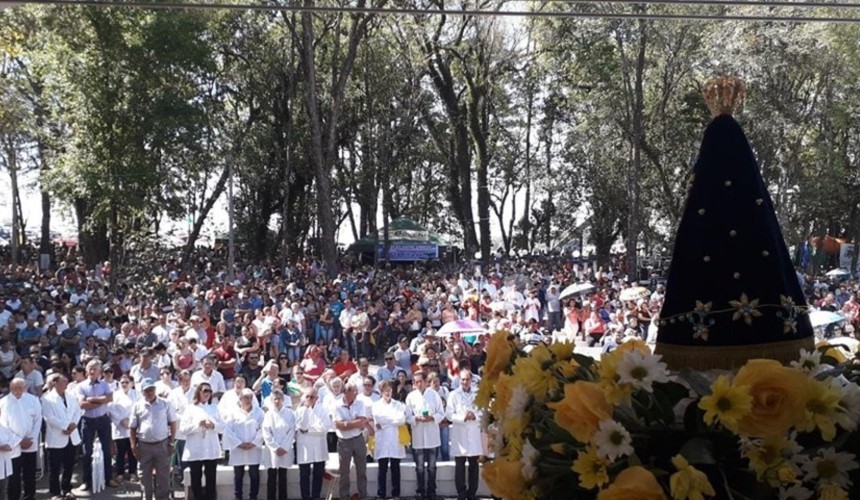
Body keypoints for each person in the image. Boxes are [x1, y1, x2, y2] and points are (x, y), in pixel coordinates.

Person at [129, 377, 178, 500]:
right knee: (145, 476)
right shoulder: (137, 406)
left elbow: (173, 423)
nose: (149, 392)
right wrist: (133, 446)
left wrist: (171, 442)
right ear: (142, 392)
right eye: (146, 390)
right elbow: (132, 428)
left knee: (163, 476)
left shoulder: (165, 403)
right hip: (144, 445)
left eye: (151, 389)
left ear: (155, 389)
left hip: (162, 444)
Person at [76, 359, 117, 494]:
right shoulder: (81, 386)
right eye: (90, 369)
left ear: (100, 371)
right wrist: (101, 400)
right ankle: (86, 481)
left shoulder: (105, 384)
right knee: (87, 451)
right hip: (87, 420)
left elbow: (109, 399)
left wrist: (91, 399)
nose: (93, 371)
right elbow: (82, 404)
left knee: (106, 449)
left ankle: (108, 478)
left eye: (95, 368)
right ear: (87, 371)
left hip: (103, 419)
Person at [180, 382, 224, 500]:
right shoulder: (190, 408)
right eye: (204, 390)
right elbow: (183, 429)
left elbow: (223, 427)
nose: (207, 393)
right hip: (196, 448)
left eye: (209, 391)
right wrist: (197, 425)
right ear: (198, 392)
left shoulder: (214, 408)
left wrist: (213, 425)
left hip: (210, 447)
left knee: (211, 478)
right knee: (195, 478)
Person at [42, 373, 82, 500]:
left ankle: (66, 489)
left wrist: (73, 424)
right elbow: (49, 417)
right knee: (55, 466)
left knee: (69, 465)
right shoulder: (47, 398)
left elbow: (77, 411)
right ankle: (55, 492)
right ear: (55, 383)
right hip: (57, 436)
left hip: (72, 436)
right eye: (63, 381)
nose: (66, 383)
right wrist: (65, 426)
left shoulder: (71, 396)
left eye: (66, 381)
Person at [405, 372, 445, 500]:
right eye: (416, 382)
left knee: (432, 467)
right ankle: (420, 490)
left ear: (425, 382)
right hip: (418, 434)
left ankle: (432, 490)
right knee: (420, 467)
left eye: (420, 381)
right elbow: (407, 416)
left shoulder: (434, 395)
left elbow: (441, 413)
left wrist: (432, 418)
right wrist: (416, 419)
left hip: (432, 434)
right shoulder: (410, 397)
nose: (418, 384)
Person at [447, 369, 483, 500]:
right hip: (460, 434)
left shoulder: (478, 394)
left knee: (474, 465)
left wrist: (475, 416)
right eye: (462, 379)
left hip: (473, 431)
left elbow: (484, 411)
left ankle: (472, 493)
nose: (465, 382)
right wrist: (463, 417)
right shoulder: (453, 395)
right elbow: (449, 414)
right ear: (459, 380)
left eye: (467, 379)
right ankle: (461, 493)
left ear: (471, 380)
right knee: (460, 466)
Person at [223, 388, 264, 500]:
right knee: (238, 475)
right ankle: (238, 497)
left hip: (254, 448)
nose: (248, 400)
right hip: (238, 449)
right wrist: (239, 444)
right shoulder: (233, 412)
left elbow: (262, 429)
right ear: (240, 399)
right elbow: (228, 430)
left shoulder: (259, 412)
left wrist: (254, 443)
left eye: (251, 397)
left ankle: (253, 497)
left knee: (254, 475)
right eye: (246, 397)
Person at [371, 380, 407, 500]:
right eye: (385, 390)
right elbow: (379, 418)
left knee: (395, 468)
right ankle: (381, 494)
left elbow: (401, 419)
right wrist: (392, 421)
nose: (388, 392)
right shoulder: (375, 405)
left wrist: (387, 422)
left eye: (389, 390)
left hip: (395, 440)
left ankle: (396, 494)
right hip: (382, 440)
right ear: (381, 392)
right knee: (382, 469)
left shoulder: (399, 405)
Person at [333, 380, 368, 500]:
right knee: (344, 472)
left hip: (358, 439)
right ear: (346, 392)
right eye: (354, 391)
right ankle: (344, 496)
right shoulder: (336, 405)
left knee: (362, 470)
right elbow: (338, 425)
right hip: (344, 441)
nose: (356, 393)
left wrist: (347, 424)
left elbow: (362, 422)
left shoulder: (360, 403)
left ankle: (363, 495)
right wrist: (354, 423)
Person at [294, 387, 330, 500]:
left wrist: (309, 430)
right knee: (304, 474)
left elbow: (324, 427)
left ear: (317, 398)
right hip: (304, 447)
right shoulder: (299, 411)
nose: (310, 399)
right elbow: (301, 426)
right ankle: (305, 497)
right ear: (303, 398)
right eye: (307, 396)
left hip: (319, 446)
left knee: (318, 474)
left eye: (312, 397)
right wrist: (306, 409)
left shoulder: (323, 410)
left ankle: (316, 496)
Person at [261, 389, 295, 500]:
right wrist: (275, 447)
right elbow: (266, 432)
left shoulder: (290, 414)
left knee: (283, 476)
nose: (277, 401)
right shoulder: (268, 415)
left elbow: (292, 431)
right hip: (272, 451)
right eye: (274, 399)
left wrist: (284, 447)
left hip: (285, 449)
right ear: (271, 400)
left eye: (279, 398)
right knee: (271, 476)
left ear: (283, 400)